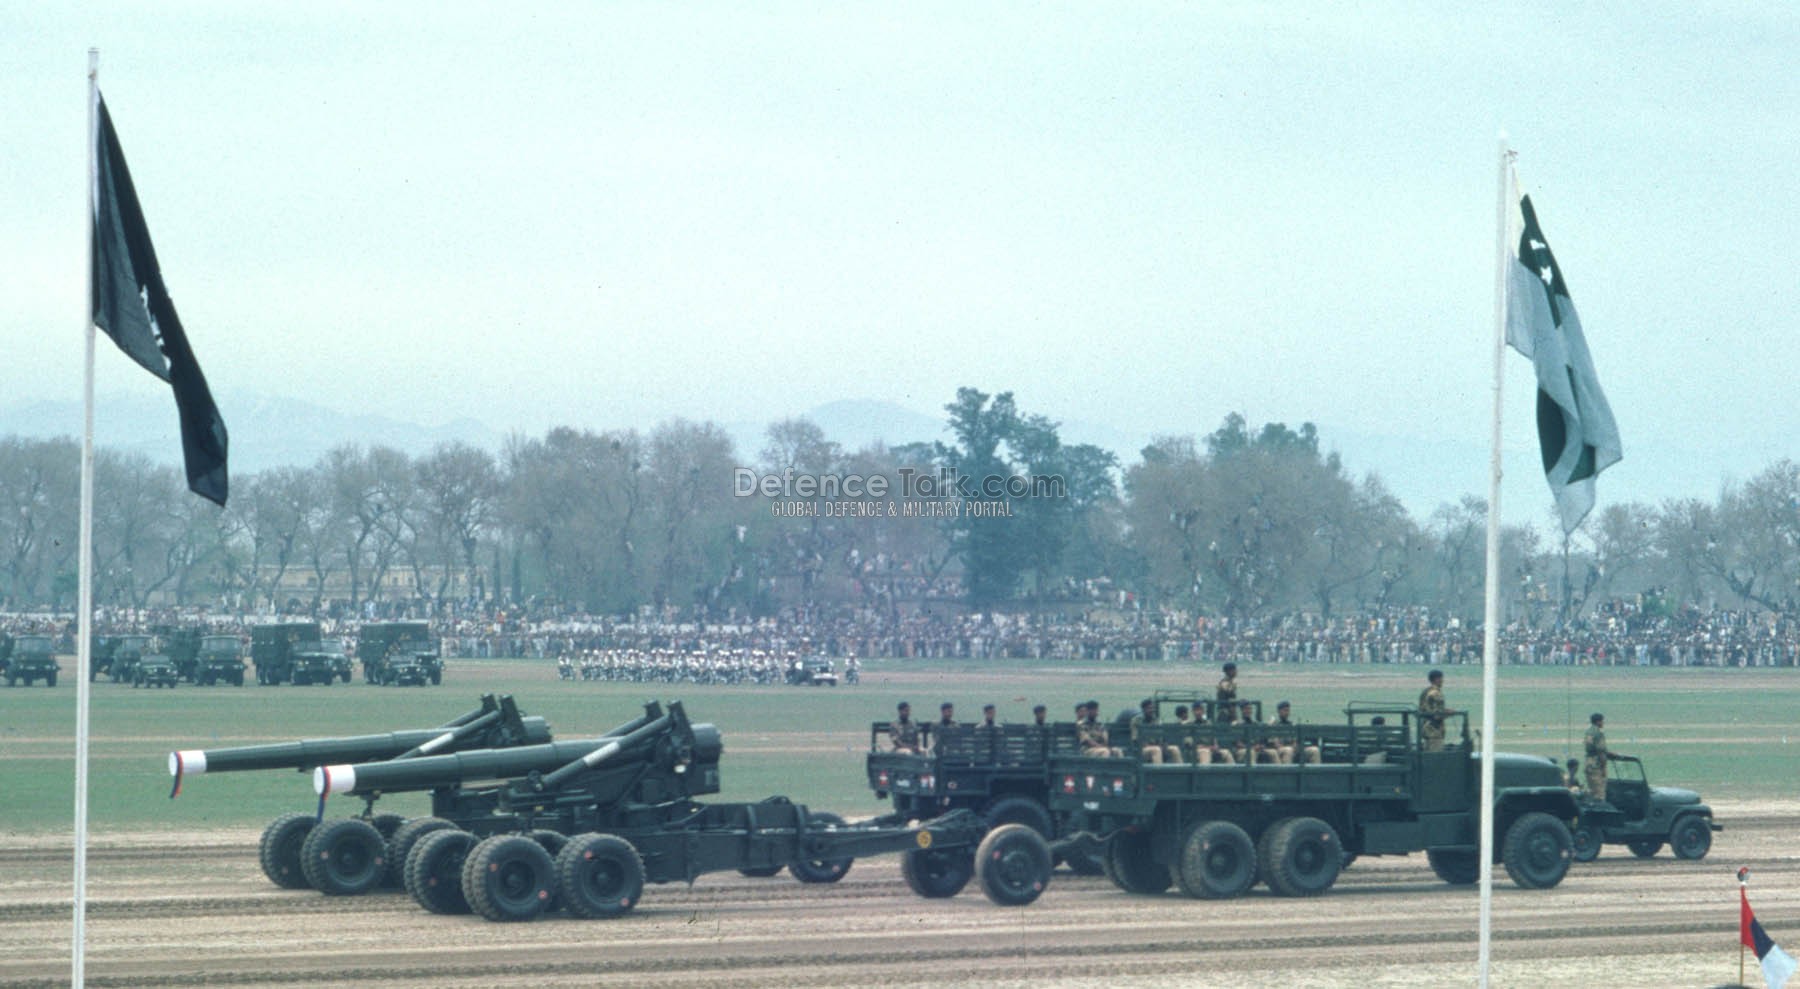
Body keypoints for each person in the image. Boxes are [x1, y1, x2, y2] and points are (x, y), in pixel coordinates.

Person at [1267, 700, 1320, 765]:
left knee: (1314, 750)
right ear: (1279, 711)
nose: (1287, 713)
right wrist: (1281, 746)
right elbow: (1274, 742)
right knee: (1288, 750)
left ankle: (1315, 774)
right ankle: (1287, 774)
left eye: (1288, 710)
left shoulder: (1291, 725)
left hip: (1293, 749)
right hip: (1281, 749)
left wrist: (1295, 745)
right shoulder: (1274, 724)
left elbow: (1295, 740)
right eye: (1285, 710)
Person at [1131, 698, 1181, 764]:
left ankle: (1180, 773)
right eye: (1149, 708)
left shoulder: (1157, 720)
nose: (1151, 710)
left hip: (1157, 745)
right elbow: (1135, 738)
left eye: (1152, 708)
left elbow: (1161, 736)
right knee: (1156, 750)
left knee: (1175, 749)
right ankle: (1159, 773)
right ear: (1143, 709)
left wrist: (1164, 745)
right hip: (1142, 749)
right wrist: (1146, 745)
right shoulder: (1136, 720)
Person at [1417, 669, 1457, 752]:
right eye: (1441, 678)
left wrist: (1445, 710)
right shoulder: (1436, 693)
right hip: (1435, 731)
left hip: (1425, 729)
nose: (1443, 681)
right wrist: (1449, 713)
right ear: (1436, 679)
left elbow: (1427, 708)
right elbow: (1438, 715)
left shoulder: (1426, 691)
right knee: (1435, 758)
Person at [1583, 712, 1620, 802]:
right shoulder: (1598, 734)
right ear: (1598, 722)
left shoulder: (1588, 732)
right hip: (1596, 766)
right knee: (1600, 794)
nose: (1603, 723)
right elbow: (1601, 752)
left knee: (1592, 791)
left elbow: (1593, 748)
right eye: (1602, 721)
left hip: (1588, 764)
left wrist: (1610, 753)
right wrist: (1603, 768)